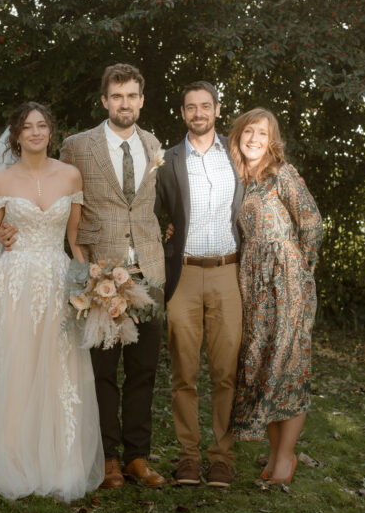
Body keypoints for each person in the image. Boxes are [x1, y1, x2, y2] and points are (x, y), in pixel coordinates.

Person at [0, 102, 104, 501]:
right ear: (16, 135)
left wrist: (88, 287)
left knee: (56, 367)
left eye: (42, 126)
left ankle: (56, 461)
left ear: (51, 132)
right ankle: (10, 457)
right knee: (13, 366)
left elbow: (74, 240)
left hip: (55, 280)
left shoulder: (71, 176)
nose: (35, 132)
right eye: (27, 127)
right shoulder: (0, 179)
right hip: (13, 283)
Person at [59, 63, 167, 489]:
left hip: (149, 271)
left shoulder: (154, 145)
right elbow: (60, 199)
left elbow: (150, 204)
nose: (125, 103)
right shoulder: (77, 147)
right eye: (116, 96)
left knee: (143, 370)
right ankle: (106, 458)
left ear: (141, 100)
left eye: (132, 96)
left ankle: (138, 456)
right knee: (101, 369)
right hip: (98, 272)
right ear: (104, 101)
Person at [155, 81, 244, 488]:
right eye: (190, 107)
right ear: (182, 113)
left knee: (226, 372)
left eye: (205, 106)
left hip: (228, 271)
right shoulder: (167, 160)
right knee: (183, 373)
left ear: (217, 110)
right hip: (184, 274)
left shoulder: (239, 153)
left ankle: (222, 457)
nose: (198, 113)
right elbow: (149, 213)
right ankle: (189, 456)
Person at [227, 108, 323, 484]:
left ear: (272, 141)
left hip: (287, 284)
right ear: (238, 135)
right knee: (264, 365)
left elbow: (312, 222)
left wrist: (298, 270)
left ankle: (286, 457)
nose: (254, 139)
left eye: (262, 134)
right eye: (248, 131)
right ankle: (272, 456)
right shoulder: (238, 179)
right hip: (252, 283)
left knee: (290, 368)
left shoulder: (281, 174)